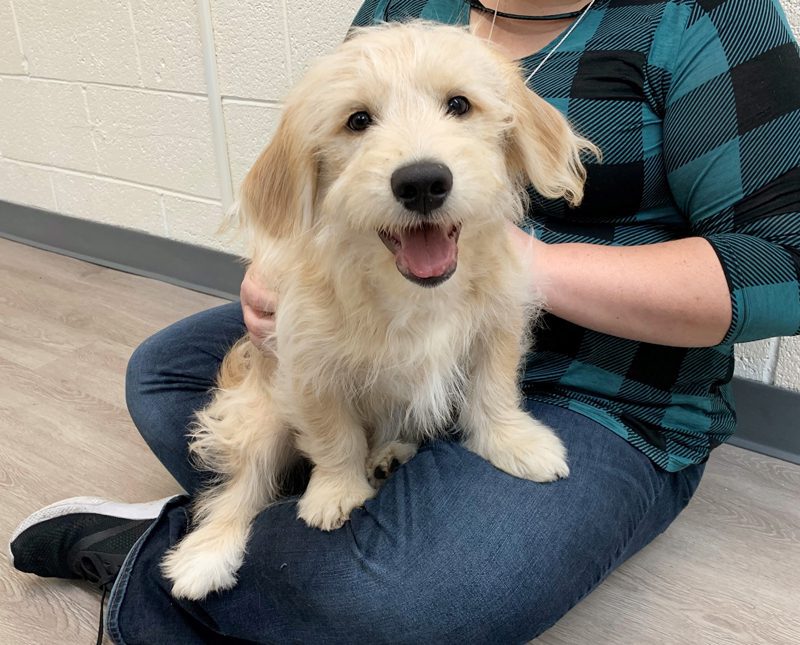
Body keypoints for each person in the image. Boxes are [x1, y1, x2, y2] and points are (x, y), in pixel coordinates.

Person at [10, 0, 800, 643]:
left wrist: (533, 270)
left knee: (405, 602)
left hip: (610, 387)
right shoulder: (405, 6)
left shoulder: (707, 16)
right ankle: (343, 513)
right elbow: (307, 178)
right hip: (378, 317)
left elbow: (788, 268)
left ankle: (167, 554)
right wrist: (277, 256)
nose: (417, 154)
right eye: (365, 120)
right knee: (162, 374)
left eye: (458, 105)